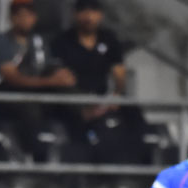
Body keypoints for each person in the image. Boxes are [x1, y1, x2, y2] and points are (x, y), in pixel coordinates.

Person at [50, 0, 146, 163]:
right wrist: (83, 105)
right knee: (73, 124)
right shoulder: (62, 42)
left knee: (133, 113)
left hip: (102, 97)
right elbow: (60, 78)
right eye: (83, 11)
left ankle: (143, 163)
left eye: (93, 11)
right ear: (75, 14)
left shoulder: (108, 39)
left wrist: (116, 94)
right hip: (73, 101)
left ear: (100, 14)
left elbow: (119, 73)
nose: (88, 16)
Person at [0, 0, 75, 158]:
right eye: (20, 15)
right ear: (12, 18)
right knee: (30, 108)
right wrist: (50, 82)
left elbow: (48, 66)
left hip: (37, 91)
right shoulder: (3, 42)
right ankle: (32, 153)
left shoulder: (39, 41)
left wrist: (62, 75)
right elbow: (13, 78)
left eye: (29, 15)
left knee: (68, 98)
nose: (25, 19)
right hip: (3, 95)